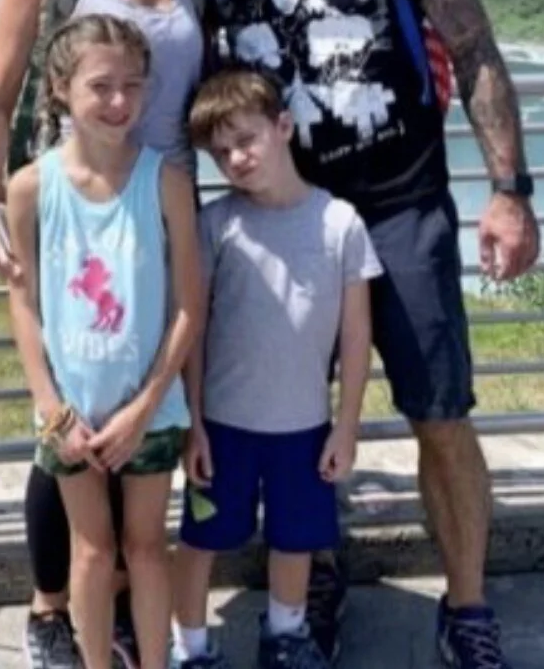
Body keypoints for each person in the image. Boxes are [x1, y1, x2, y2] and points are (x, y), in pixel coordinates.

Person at [196, 0, 541, 669]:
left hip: (400, 209)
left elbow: (472, 53)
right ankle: (309, 589)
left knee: (439, 413)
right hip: (280, 218)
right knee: (283, 422)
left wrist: (508, 192)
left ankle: (466, 607)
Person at [0, 0, 208, 669]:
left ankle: (128, 625)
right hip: (73, 203)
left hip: (164, 203)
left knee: (155, 418)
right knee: (63, 418)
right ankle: (49, 612)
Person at [4, 13, 205, 669]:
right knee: (90, 550)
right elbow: (25, 302)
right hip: (70, 412)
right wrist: (51, 407)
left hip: (147, 409)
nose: (119, 102)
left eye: (133, 86)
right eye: (101, 86)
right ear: (61, 87)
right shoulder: (31, 188)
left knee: (146, 548)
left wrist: (146, 405)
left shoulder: (166, 181)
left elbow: (188, 305)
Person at [171, 68, 380, 669]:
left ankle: (286, 635)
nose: (236, 158)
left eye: (247, 139)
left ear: (284, 126)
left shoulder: (341, 223)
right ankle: (190, 647)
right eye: (221, 151)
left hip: (305, 425)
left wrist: (347, 426)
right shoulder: (216, 223)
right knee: (200, 538)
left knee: (297, 539)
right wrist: (195, 423)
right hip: (224, 425)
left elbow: (356, 334)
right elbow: (196, 326)